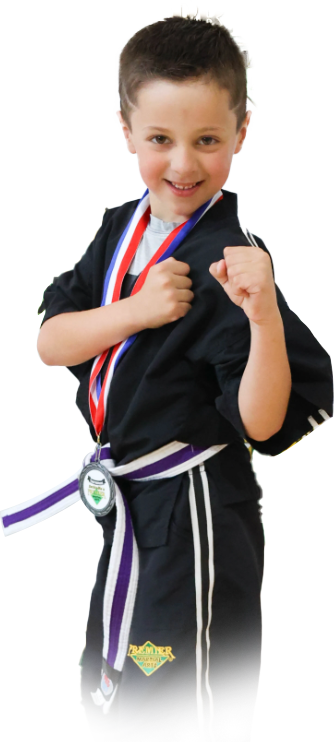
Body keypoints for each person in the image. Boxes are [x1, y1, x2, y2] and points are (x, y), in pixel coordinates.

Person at [36, 15, 333, 742]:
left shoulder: (234, 259)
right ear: (126, 130)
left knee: (172, 708)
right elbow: (53, 341)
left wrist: (263, 318)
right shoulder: (116, 230)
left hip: (195, 511)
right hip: (135, 509)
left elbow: (262, 424)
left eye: (207, 140)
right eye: (161, 140)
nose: (183, 163)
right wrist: (136, 310)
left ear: (241, 132)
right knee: (121, 698)